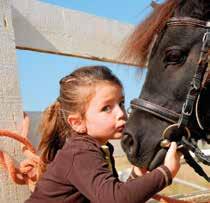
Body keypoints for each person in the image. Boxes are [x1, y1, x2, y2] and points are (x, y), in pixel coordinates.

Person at [25, 65, 181, 203]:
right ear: (77, 123)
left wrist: (137, 176)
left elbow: (107, 192)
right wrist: (165, 172)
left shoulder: (98, 148)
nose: (121, 113)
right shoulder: (80, 152)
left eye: (120, 103)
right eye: (106, 108)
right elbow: (114, 199)